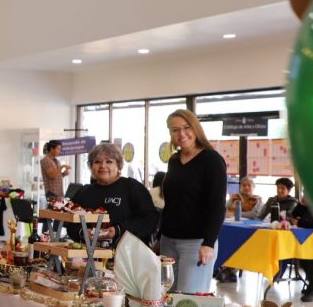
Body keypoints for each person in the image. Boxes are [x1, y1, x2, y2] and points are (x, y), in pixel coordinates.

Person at [159, 110, 227, 294]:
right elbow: (172, 203)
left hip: (196, 243)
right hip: (168, 241)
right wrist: (159, 236)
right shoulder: (174, 160)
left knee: (188, 303)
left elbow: (218, 205)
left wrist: (209, 243)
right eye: (175, 130)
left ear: (196, 128)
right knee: (167, 298)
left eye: (186, 127)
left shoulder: (212, 160)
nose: (181, 134)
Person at [66, 142, 159, 247]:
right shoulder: (84, 192)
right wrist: (82, 233)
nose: (103, 166)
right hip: (90, 254)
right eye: (97, 162)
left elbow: (150, 220)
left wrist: (118, 230)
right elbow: (70, 224)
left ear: (118, 165)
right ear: (91, 166)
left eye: (109, 161)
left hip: (128, 253)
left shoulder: (131, 187)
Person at [288, 194, 313, 301]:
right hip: (307, 238)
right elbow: (294, 215)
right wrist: (301, 204)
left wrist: (299, 222)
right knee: (302, 260)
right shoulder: (307, 206)